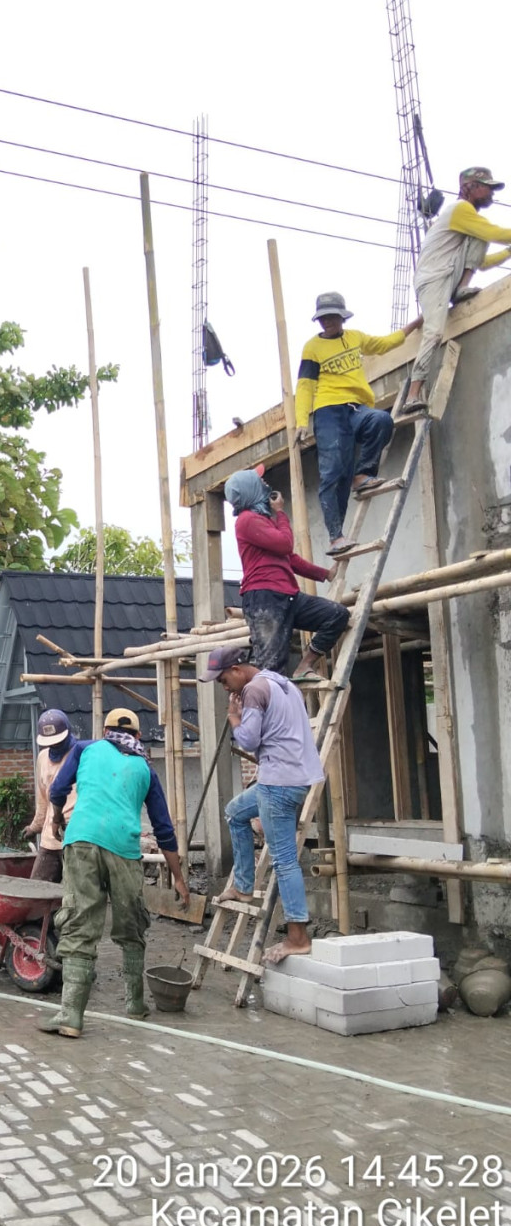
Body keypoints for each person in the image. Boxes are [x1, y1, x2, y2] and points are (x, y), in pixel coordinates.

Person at [41, 708, 190, 1037]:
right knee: (131, 922)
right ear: (138, 736)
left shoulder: (85, 749)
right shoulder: (145, 768)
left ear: (105, 730)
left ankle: (70, 1016)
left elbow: (57, 791)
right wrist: (179, 879)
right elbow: (164, 830)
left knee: (79, 922)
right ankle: (135, 1005)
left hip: (80, 842)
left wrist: (55, 818)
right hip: (123, 849)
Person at [200, 645, 324, 965]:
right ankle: (243, 885)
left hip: (278, 783)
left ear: (238, 668)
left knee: (283, 862)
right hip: (294, 778)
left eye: (224, 679)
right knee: (235, 813)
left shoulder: (253, 690)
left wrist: (233, 716)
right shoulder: (282, 683)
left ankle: (297, 937)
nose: (224, 686)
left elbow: (249, 740)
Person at [295, 291, 421, 556]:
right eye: (323, 318)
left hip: (357, 407)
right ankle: (336, 537)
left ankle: (363, 475)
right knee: (334, 471)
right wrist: (301, 421)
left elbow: (384, 344)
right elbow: (305, 386)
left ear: (341, 317)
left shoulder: (355, 337)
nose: (327, 322)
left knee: (381, 420)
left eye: (332, 317)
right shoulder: (312, 348)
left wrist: (414, 325)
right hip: (328, 411)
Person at [400, 167, 511, 417]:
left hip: (448, 275)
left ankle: (461, 289)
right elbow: (494, 234)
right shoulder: (460, 210)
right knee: (435, 331)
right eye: (487, 187)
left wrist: (507, 252)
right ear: (469, 187)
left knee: (480, 234)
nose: (491, 193)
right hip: (434, 279)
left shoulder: (468, 218)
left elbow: (479, 260)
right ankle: (413, 394)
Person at [225, 468, 349, 681]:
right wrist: (281, 513)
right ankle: (258, 710)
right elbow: (285, 544)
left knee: (336, 615)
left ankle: (304, 666)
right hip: (264, 598)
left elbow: (288, 558)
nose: (264, 482)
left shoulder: (262, 521)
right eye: (259, 480)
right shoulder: (247, 520)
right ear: (250, 489)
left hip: (287, 595)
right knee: (270, 667)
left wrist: (324, 574)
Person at [22, 709, 79, 882]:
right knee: (37, 893)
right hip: (50, 840)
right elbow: (42, 798)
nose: (55, 746)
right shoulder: (43, 758)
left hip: (76, 838)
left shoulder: (80, 755)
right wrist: (35, 826)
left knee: (75, 894)